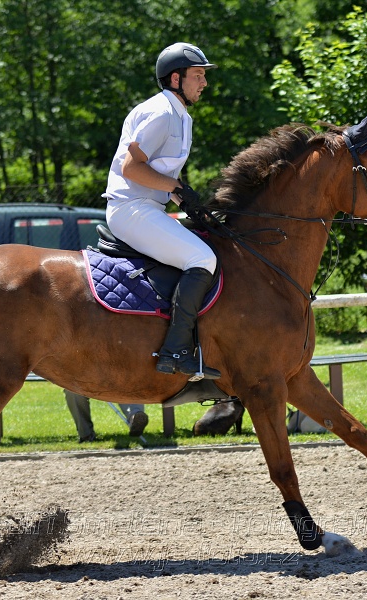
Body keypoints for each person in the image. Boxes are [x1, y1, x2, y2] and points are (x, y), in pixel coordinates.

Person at [103, 42, 221, 381]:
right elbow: (132, 169)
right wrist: (176, 188)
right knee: (203, 259)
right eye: (198, 75)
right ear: (175, 78)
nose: (204, 82)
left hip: (148, 206)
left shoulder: (181, 115)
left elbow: (163, 173)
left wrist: (188, 202)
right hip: (131, 208)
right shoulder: (161, 113)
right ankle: (176, 351)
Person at [64, 390, 148, 442]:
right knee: (72, 391)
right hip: (87, 378)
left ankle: (135, 419)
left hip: (115, 375)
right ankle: (86, 435)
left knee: (127, 383)